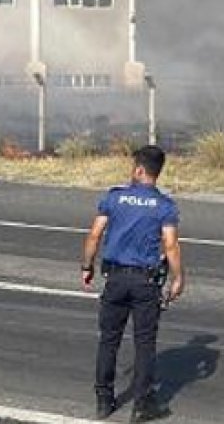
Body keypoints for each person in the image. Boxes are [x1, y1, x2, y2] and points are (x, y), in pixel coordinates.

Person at [81, 145, 185, 422]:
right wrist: (178, 279)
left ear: (139, 170)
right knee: (144, 344)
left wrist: (87, 266)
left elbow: (94, 235)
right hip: (145, 283)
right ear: (157, 172)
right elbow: (171, 245)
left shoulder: (114, 198)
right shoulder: (165, 205)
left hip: (114, 279)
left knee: (109, 340)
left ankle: (103, 400)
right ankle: (141, 405)